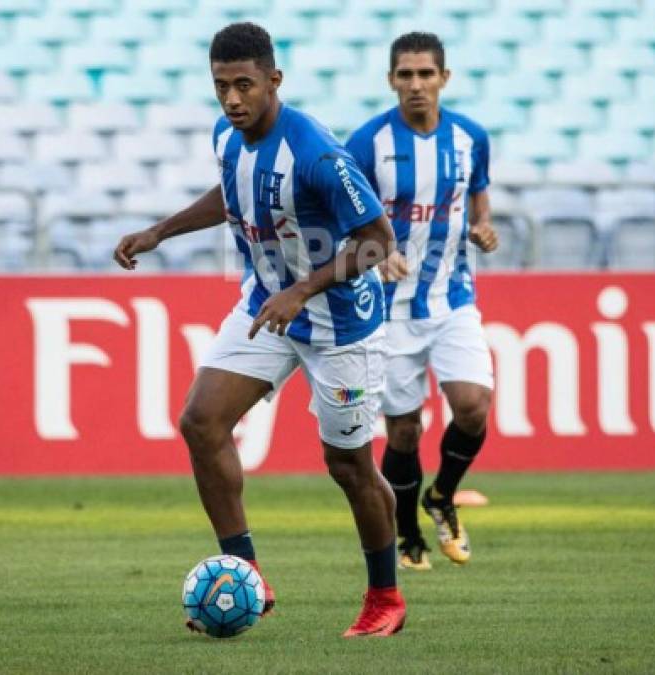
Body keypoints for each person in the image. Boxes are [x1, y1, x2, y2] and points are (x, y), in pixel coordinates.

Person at [114, 22, 407, 637]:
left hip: (341, 325)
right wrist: (159, 232)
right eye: (221, 86)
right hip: (268, 306)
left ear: (274, 80)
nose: (232, 100)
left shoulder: (318, 155)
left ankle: (385, 597)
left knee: (348, 465)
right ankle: (245, 574)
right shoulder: (227, 133)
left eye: (244, 85)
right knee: (201, 421)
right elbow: (231, 194)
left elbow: (380, 243)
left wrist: (302, 288)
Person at [345, 32, 498, 571]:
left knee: (474, 406)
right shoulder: (366, 144)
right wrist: (373, 251)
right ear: (391, 80)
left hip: (451, 298)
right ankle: (409, 531)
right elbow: (344, 218)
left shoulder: (470, 137)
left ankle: (443, 496)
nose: (415, 84)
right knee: (404, 429)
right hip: (387, 311)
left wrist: (483, 225)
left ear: (443, 79)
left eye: (425, 74)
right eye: (405, 75)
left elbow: (477, 192)